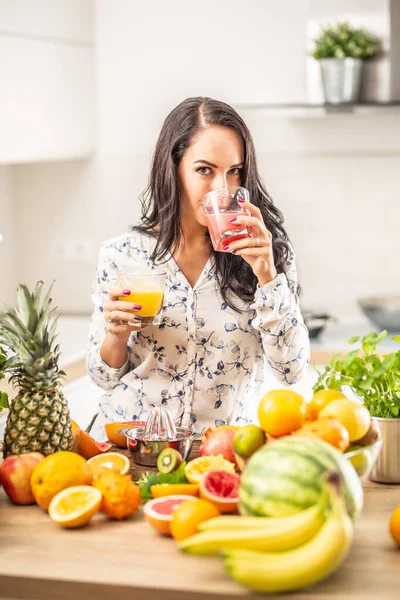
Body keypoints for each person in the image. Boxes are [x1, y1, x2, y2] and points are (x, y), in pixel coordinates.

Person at [86, 97, 310, 438]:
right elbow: (102, 378)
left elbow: (292, 372)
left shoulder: (268, 253)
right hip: (133, 448)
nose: (222, 189)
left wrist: (267, 275)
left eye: (234, 171)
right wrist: (116, 335)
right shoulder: (123, 254)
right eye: (204, 170)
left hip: (224, 452)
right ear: (172, 168)